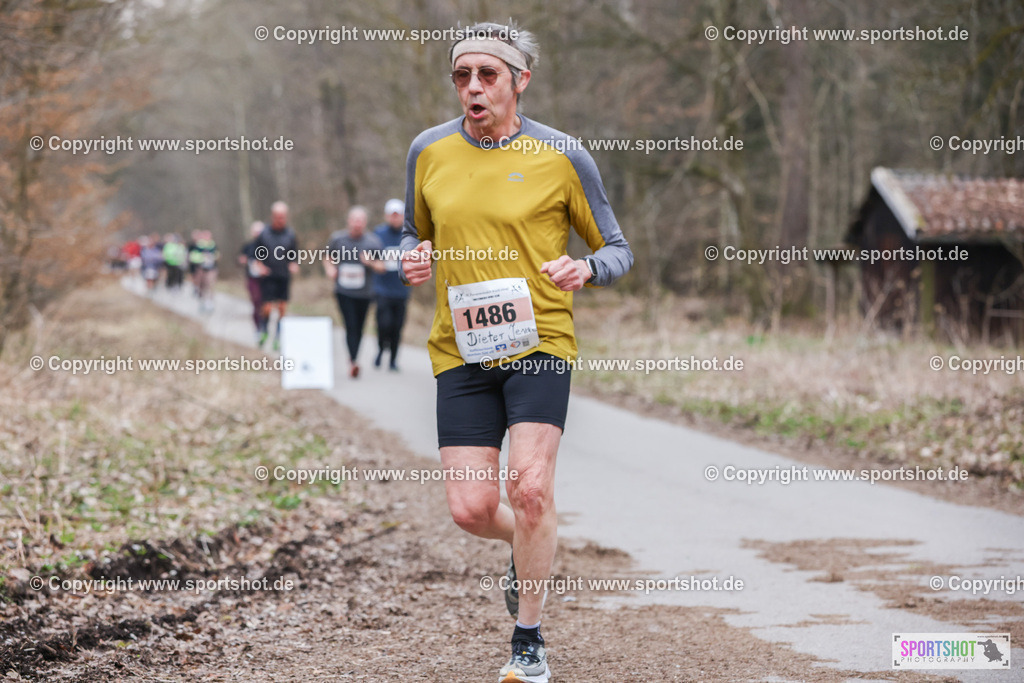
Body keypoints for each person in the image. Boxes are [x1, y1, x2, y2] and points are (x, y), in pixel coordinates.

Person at [400, 21, 632, 683]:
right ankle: (525, 547)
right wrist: (413, 260)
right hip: (461, 349)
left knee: (530, 490)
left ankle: (527, 641)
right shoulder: (428, 151)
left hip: (539, 345)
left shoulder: (563, 155)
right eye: (462, 75)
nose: (472, 87)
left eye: (488, 75)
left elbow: (617, 247)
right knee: (471, 508)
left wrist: (589, 270)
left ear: (519, 81)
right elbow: (421, 238)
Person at [325, 206, 383, 378]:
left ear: (365, 223)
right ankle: (353, 361)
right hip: (343, 292)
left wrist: (370, 262)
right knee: (350, 325)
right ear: (349, 221)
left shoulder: (373, 242)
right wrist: (330, 269)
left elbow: (382, 267)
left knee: (359, 327)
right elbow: (327, 257)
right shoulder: (337, 239)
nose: (357, 224)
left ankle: (353, 358)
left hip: (364, 293)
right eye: (354, 220)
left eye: (361, 220)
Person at [253, 201, 299, 350]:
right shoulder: (264, 234)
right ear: (273, 216)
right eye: (278, 217)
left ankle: (278, 337)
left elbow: (294, 255)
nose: (281, 220)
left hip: (283, 275)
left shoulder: (290, 234)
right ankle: (264, 330)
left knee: (282, 308)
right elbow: (256, 255)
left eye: (283, 217)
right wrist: (260, 267)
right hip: (268, 275)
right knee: (267, 307)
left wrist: (293, 264)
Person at [373, 199, 410, 371]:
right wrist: (375, 263)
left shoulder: (409, 236)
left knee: (397, 327)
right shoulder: (378, 234)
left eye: (398, 215)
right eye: (392, 215)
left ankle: (393, 360)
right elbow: (369, 255)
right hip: (382, 289)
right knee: (383, 324)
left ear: (403, 216)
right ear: (387, 216)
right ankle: (381, 350)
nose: (395, 219)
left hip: (402, 290)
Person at [238, 221, 268, 345]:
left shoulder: (269, 246)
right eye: (256, 232)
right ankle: (258, 328)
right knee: (256, 302)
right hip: (252, 279)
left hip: (266, 280)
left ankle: (265, 326)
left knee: (266, 305)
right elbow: (240, 259)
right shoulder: (248, 246)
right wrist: (242, 260)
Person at [189, 230, 219, 312]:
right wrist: (202, 257)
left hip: (211, 268)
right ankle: (202, 301)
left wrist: (214, 257)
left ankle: (210, 302)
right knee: (201, 286)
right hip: (201, 268)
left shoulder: (213, 245)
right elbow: (192, 256)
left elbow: (218, 254)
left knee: (210, 284)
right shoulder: (199, 246)